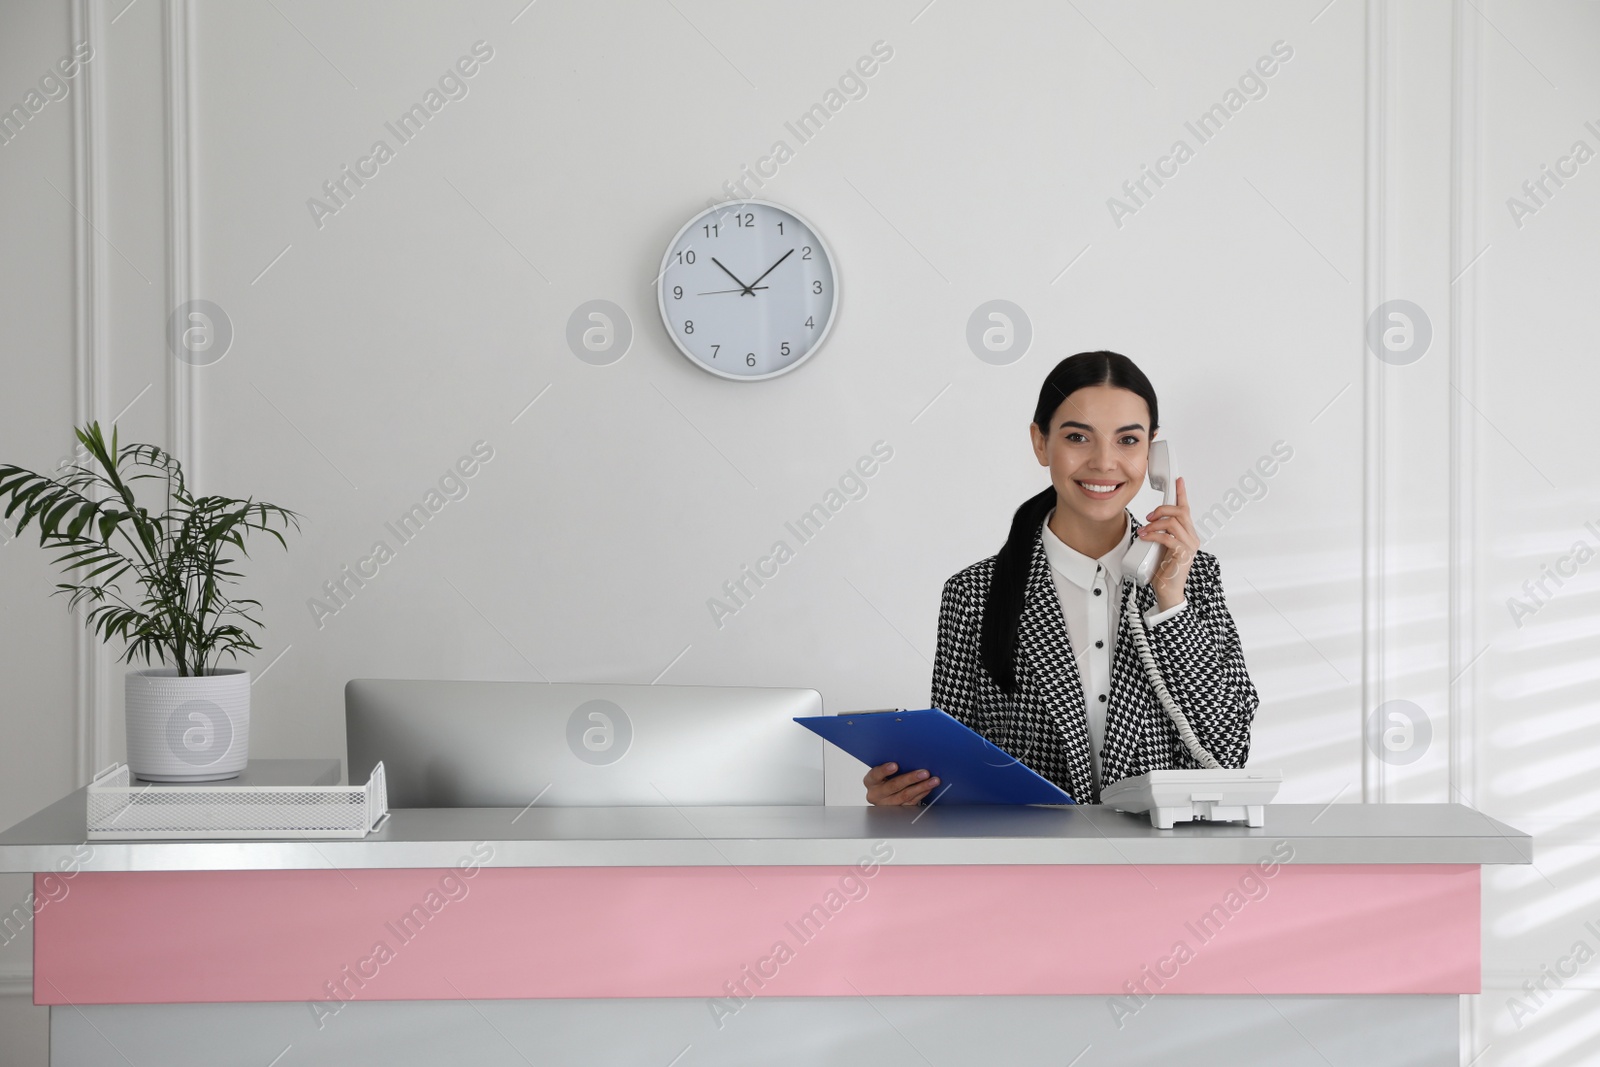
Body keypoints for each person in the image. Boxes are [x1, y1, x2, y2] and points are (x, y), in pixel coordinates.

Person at [865, 350, 1259, 806]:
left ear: (1154, 454)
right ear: (1040, 443)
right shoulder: (974, 594)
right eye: (1078, 437)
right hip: (1032, 864)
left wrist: (1169, 598)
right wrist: (909, 793)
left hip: (1161, 865)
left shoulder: (1194, 577)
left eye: (1128, 441)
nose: (1105, 462)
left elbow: (1229, 751)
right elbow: (955, 769)